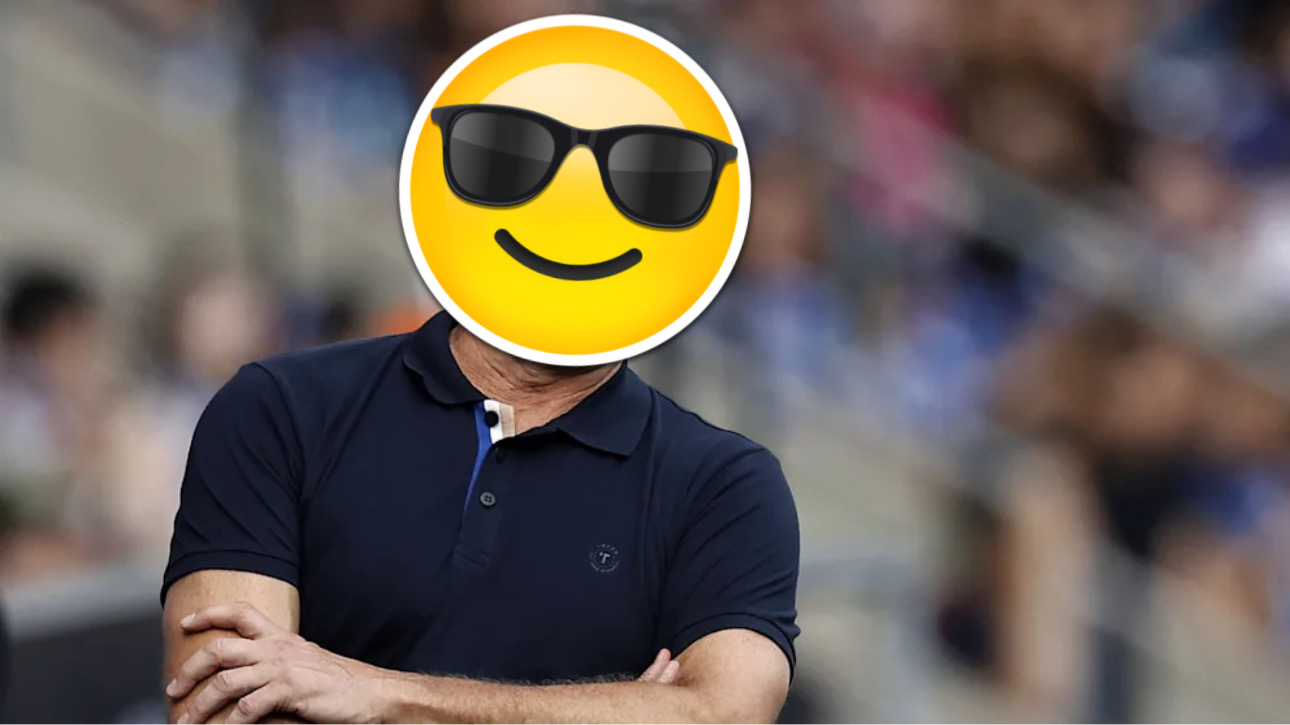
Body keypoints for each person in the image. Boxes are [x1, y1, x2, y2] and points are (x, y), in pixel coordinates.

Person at [161, 310, 800, 723]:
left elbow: (724, 713)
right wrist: (622, 708)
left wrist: (375, 694)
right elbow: (219, 706)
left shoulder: (726, 484)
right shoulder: (281, 407)